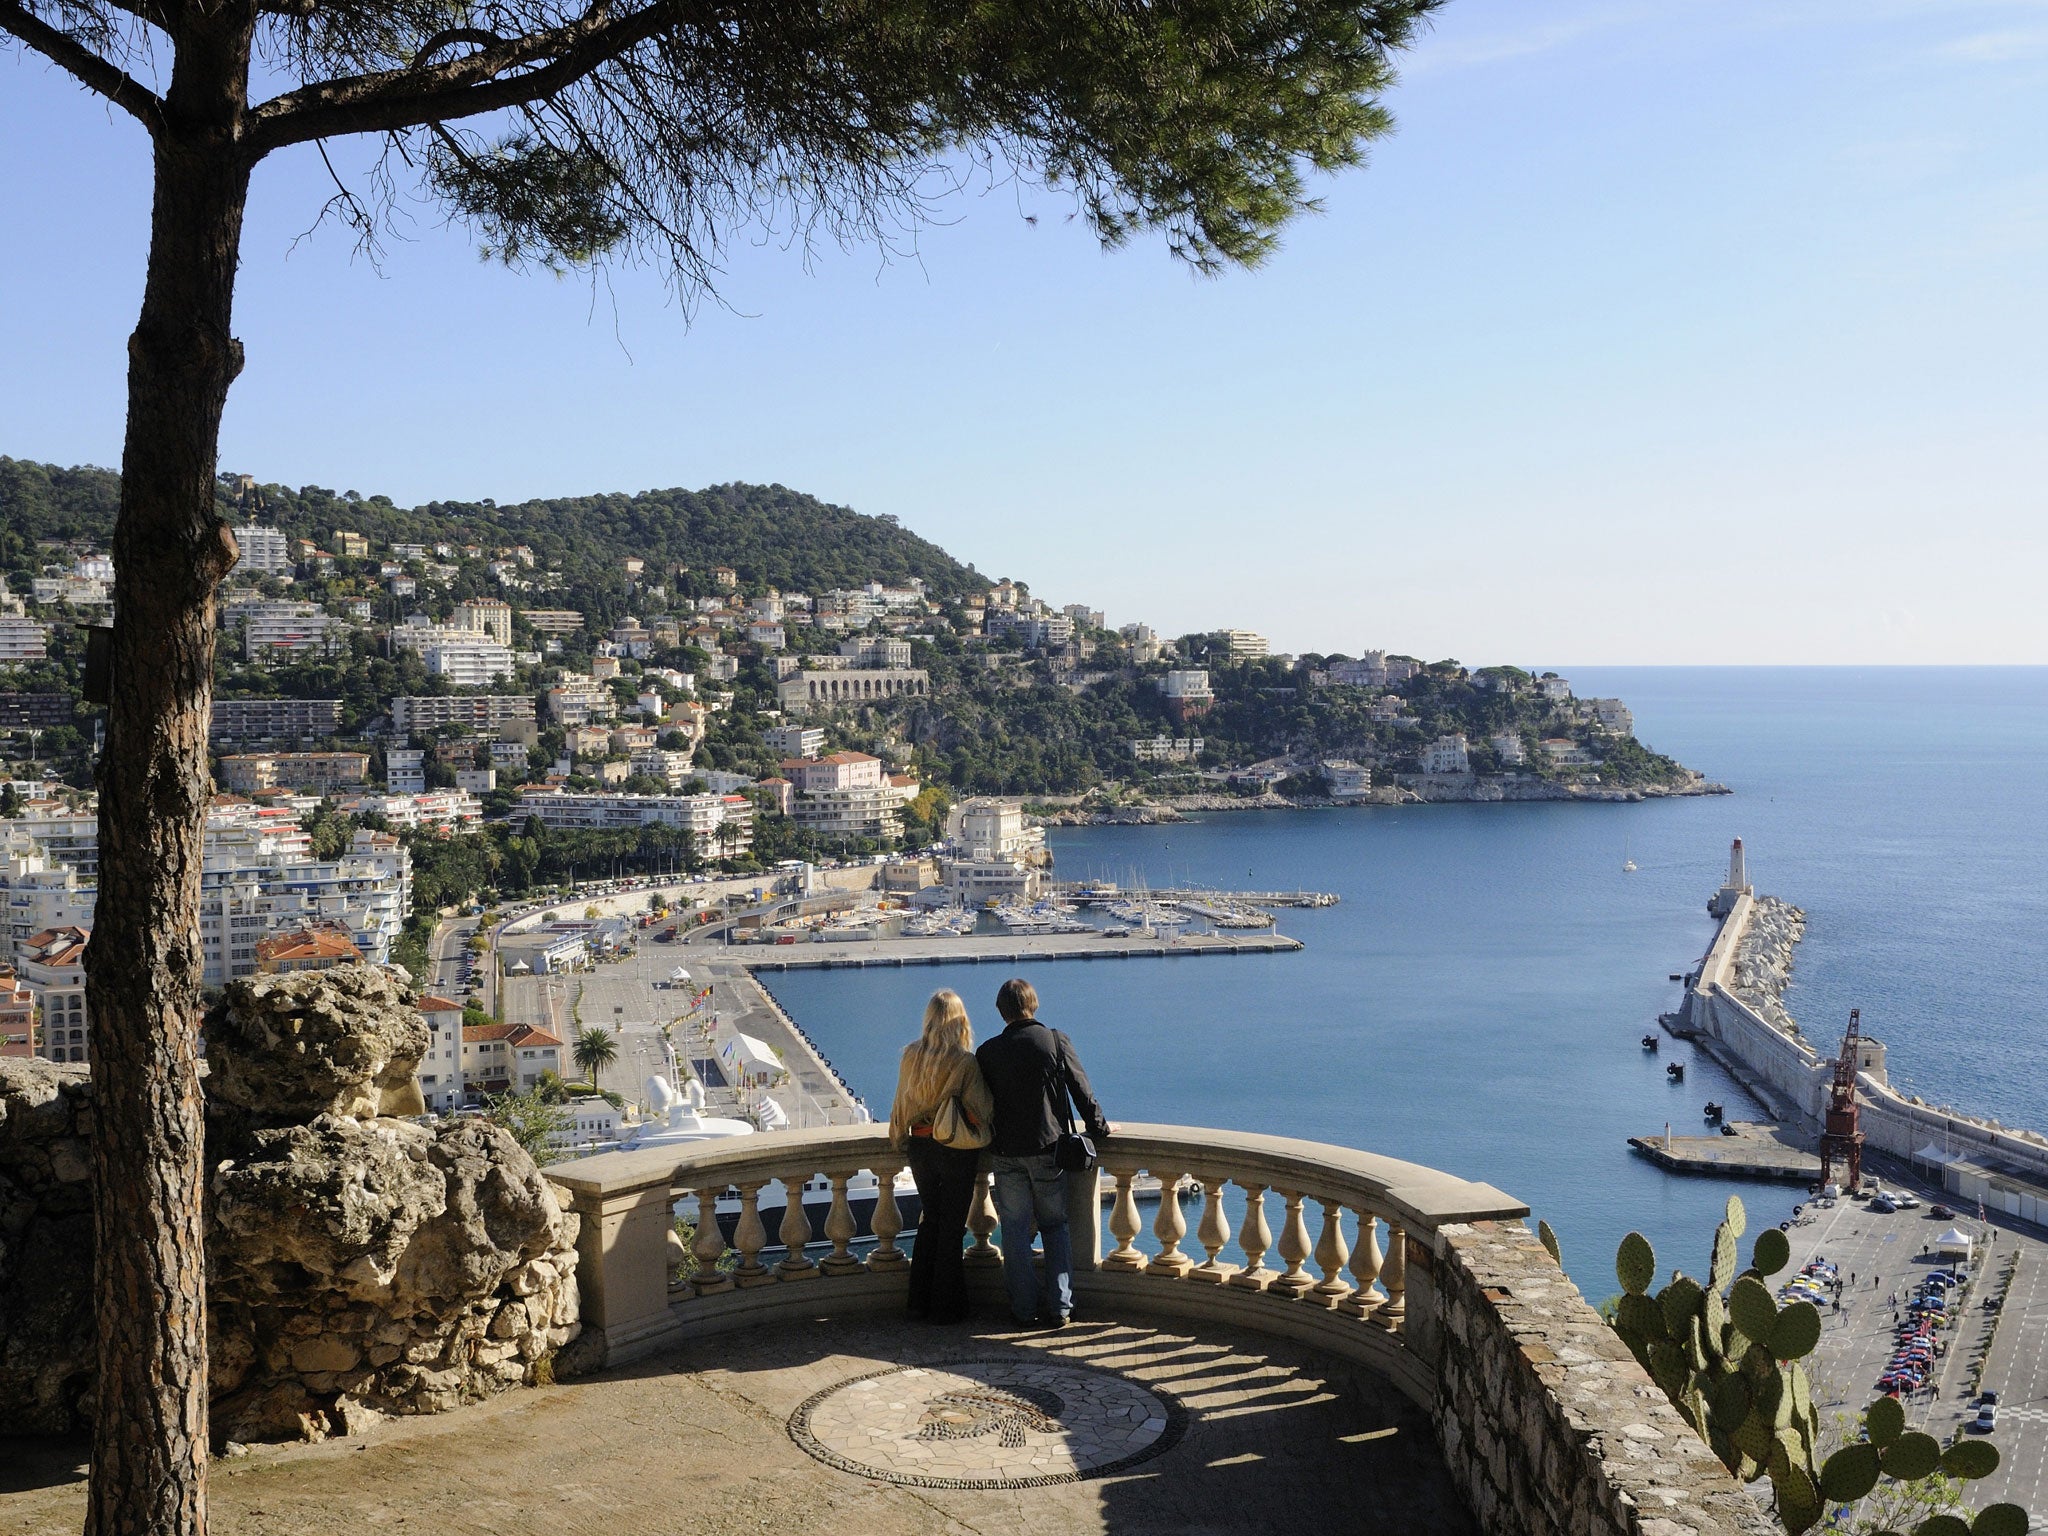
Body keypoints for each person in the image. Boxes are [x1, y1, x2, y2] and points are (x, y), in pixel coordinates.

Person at [975, 977, 1112, 1327]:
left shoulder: (987, 1052)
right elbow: (1082, 1091)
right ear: (1033, 1004)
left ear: (1001, 1011)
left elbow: (981, 1105)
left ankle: (1023, 1308)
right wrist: (1099, 1130)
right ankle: (1061, 1307)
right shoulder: (1053, 1040)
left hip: (1005, 1153)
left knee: (1015, 1232)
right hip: (1049, 1150)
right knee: (1055, 1227)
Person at [888, 990, 995, 1325]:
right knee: (951, 1228)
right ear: (959, 1021)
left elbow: (900, 1103)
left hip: (919, 1148)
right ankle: (945, 1308)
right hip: (954, 1149)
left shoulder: (909, 1055)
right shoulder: (964, 1061)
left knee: (930, 1220)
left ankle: (917, 1301)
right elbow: (984, 1110)